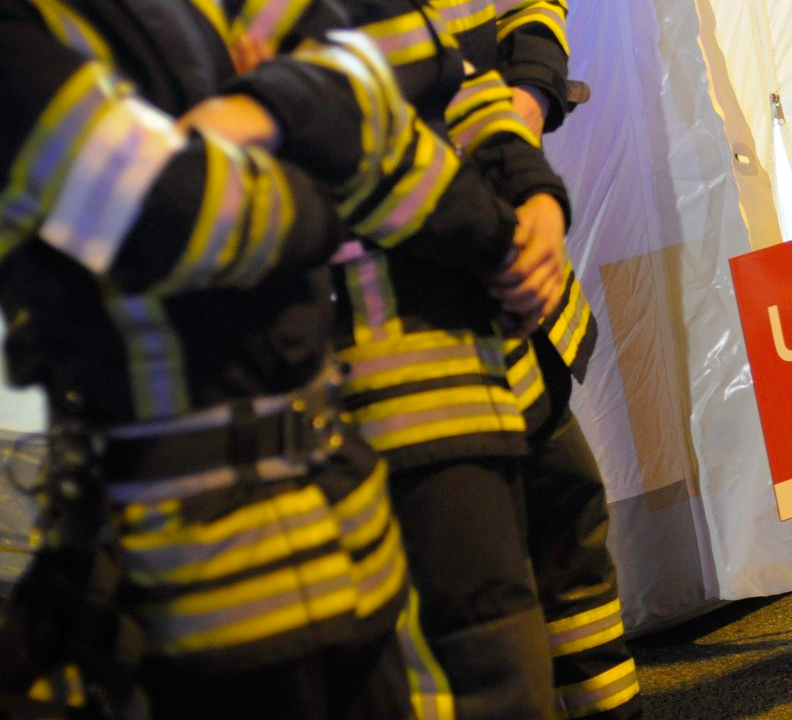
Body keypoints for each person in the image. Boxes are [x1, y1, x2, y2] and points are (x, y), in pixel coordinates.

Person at [0, 0, 519, 716]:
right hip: (193, 557)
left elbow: (374, 76)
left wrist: (268, 119)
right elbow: (172, 215)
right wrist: (313, 163)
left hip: (336, 512)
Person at [214, 1, 570, 717]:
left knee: (525, 613)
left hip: (473, 356)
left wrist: (537, 195)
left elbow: (458, 81)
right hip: (380, 381)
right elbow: (349, 136)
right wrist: (505, 237)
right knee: (472, 664)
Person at [431, 2, 644, 717]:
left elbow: (529, 11)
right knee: (481, 598)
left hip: (505, 277)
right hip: (416, 329)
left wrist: (527, 96)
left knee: (569, 516)